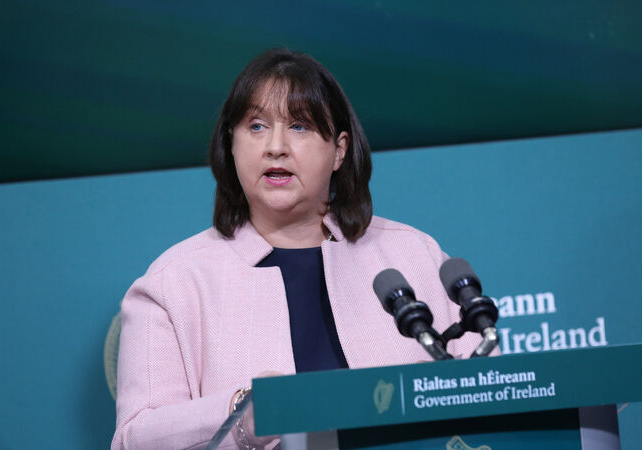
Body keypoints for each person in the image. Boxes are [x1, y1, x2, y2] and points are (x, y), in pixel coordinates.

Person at [112, 48, 482, 449]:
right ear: (231, 145)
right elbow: (135, 439)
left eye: (299, 126)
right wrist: (240, 414)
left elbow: (488, 396)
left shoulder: (414, 256)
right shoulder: (173, 283)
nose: (275, 146)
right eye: (256, 126)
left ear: (339, 150)